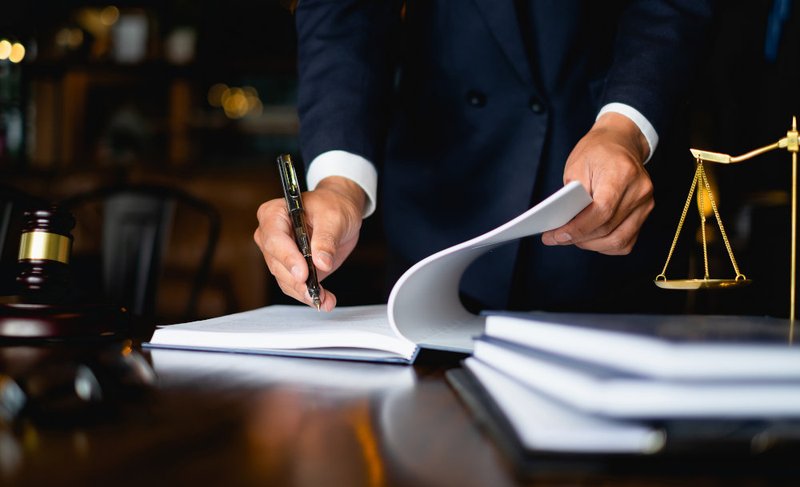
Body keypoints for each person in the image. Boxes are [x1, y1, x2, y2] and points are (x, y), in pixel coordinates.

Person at [255, 1, 716, 313]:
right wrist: (339, 184)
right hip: (439, 222)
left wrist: (623, 127)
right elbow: (344, 14)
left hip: (609, 211)